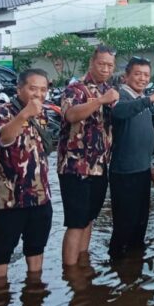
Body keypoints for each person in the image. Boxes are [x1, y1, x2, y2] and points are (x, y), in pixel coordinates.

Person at [57, 45, 119, 266]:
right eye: (101, 64)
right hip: (75, 167)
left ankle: (82, 264)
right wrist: (100, 101)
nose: (105, 69)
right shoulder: (76, 89)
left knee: (89, 219)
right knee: (76, 222)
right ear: (92, 63)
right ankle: (70, 272)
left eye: (110, 65)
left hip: (100, 166)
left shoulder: (109, 89)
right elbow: (71, 115)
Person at [0, 69, 54, 280]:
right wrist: (24, 114)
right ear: (19, 89)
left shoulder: (44, 113)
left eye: (43, 89)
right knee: (3, 246)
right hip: (9, 197)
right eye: (33, 88)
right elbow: (4, 138)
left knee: (36, 246)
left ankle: (34, 289)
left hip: (39, 194)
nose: (39, 94)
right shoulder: (3, 111)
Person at [108, 57, 154, 259]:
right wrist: (150, 99)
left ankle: (135, 271)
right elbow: (120, 112)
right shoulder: (120, 95)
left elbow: (143, 138)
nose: (142, 79)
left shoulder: (142, 100)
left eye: (146, 75)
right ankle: (118, 269)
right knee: (124, 224)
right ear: (126, 77)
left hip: (142, 170)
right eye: (137, 74)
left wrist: (149, 168)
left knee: (141, 222)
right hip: (124, 172)